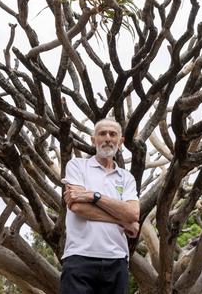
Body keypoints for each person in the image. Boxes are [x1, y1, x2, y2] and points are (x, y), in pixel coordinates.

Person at [61, 118, 140, 294]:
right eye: (102, 133)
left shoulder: (126, 178)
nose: (107, 138)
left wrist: (93, 196)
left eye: (113, 134)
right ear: (93, 139)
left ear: (120, 142)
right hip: (79, 258)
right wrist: (121, 220)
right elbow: (78, 208)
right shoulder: (77, 166)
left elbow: (133, 214)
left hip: (117, 260)